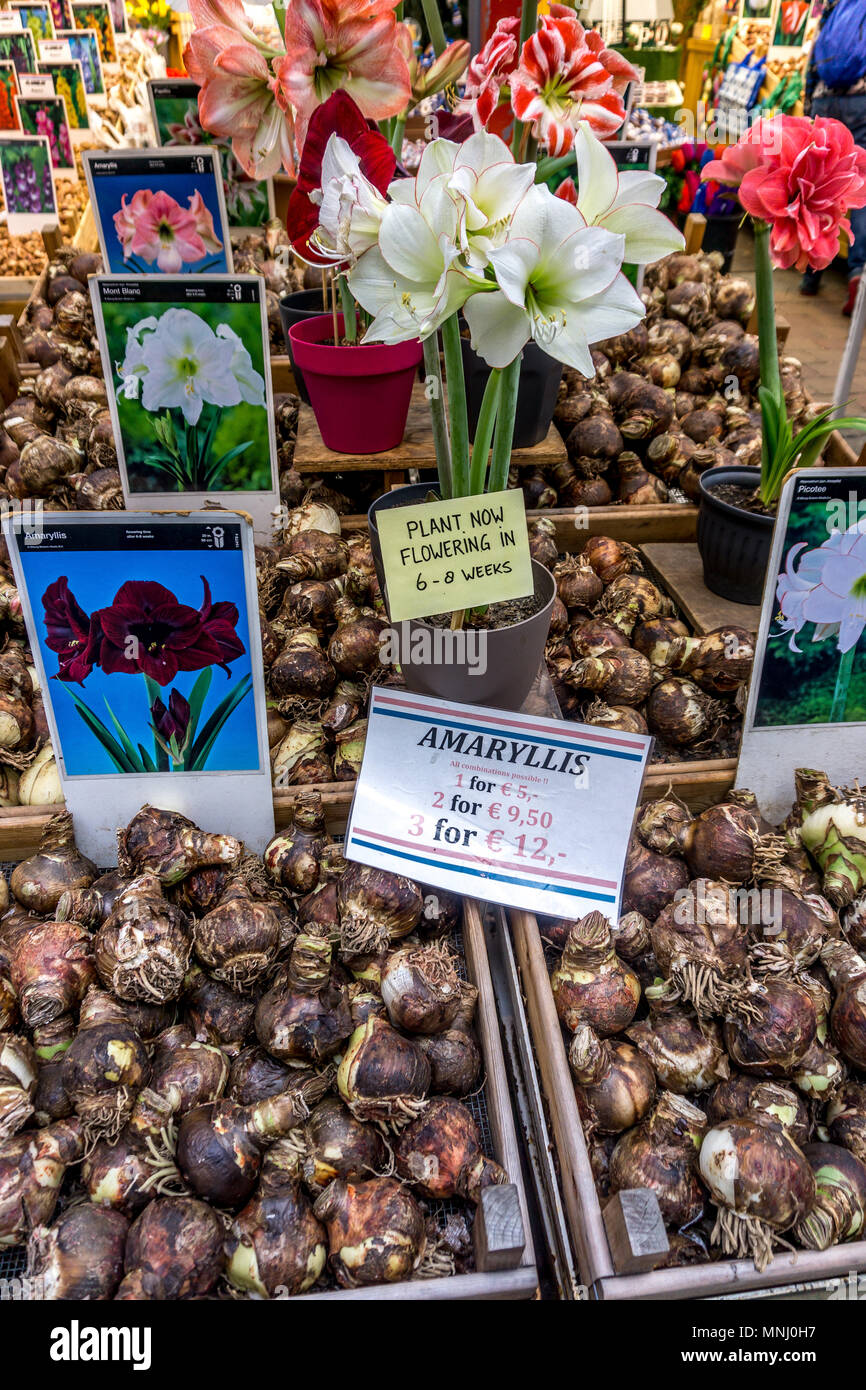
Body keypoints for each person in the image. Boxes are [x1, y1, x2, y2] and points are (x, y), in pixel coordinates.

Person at [801, 0, 866, 314]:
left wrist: (808, 110)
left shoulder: (833, 6)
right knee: (860, 189)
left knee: (822, 185)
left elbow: (815, 55)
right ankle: (858, 274)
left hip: (825, 102)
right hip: (861, 103)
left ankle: (812, 273)